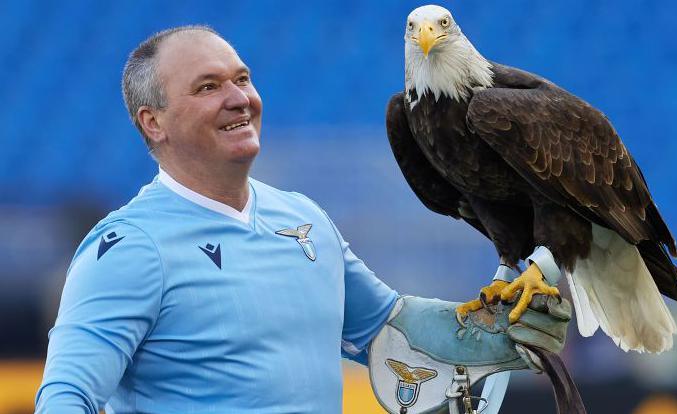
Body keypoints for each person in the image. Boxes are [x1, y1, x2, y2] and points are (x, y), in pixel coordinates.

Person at [35, 26, 567, 414]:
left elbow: (384, 326)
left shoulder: (302, 217)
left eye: (242, 79)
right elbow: (66, 396)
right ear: (153, 123)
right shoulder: (129, 246)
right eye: (208, 87)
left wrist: (490, 334)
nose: (239, 98)